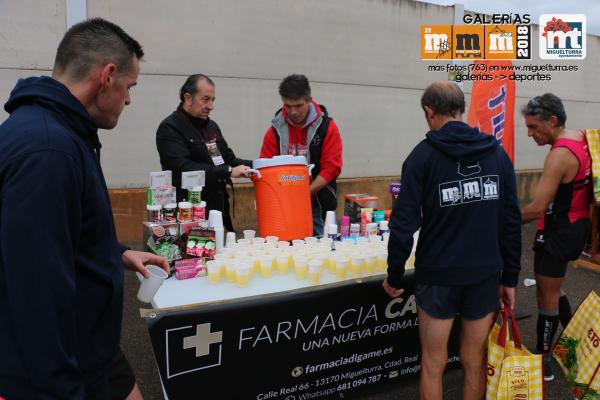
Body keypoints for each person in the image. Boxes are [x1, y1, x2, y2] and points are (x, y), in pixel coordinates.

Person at [0, 18, 169, 399]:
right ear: (107, 75)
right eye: (129, 87)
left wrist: (117, 253)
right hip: (61, 364)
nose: (128, 100)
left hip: (91, 345)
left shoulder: (61, 132)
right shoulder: (48, 151)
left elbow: (61, 235)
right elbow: (37, 290)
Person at [383, 81, 521, 400]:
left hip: (438, 273)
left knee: (433, 362)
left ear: (429, 112)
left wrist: (394, 274)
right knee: (474, 360)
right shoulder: (497, 155)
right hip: (484, 273)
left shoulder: (421, 157)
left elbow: (403, 225)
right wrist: (510, 277)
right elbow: (511, 221)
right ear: (460, 109)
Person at [520, 93, 592, 382]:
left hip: (559, 231)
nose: (530, 134)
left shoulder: (559, 155)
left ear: (553, 121)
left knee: (546, 296)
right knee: (552, 287)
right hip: (577, 225)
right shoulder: (582, 137)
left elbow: (537, 208)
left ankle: (544, 359)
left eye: (534, 127)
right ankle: (577, 345)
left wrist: (499, 220)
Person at [156, 74, 252, 232]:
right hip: (189, 212)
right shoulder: (170, 128)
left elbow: (228, 159)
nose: (211, 106)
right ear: (188, 98)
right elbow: (184, 168)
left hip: (218, 209)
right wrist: (228, 171)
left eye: (213, 100)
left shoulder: (211, 126)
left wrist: (260, 165)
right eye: (205, 99)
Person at [259, 74, 343, 236]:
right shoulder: (275, 129)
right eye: (288, 106)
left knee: (319, 249)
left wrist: (304, 193)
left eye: (298, 106)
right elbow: (265, 164)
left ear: (309, 100)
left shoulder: (326, 127)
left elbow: (332, 167)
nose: (293, 112)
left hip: (317, 204)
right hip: (283, 204)